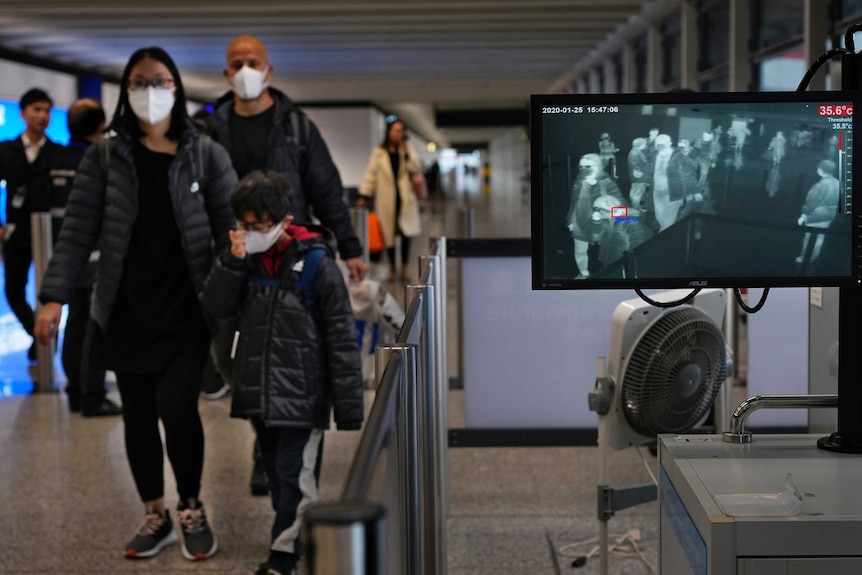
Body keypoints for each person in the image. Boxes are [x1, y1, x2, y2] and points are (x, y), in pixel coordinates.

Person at [33, 46, 237, 561]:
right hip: (125, 306)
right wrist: (54, 296)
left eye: (161, 80)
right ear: (126, 91)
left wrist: (239, 292)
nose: (151, 90)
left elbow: (228, 228)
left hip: (187, 305)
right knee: (139, 415)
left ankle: (191, 505)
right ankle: (155, 513)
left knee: (177, 407)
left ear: (177, 88)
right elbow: (77, 230)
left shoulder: (204, 153)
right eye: (140, 81)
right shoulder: (105, 155)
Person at [207, 33, 367, 496]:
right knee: (232, 357)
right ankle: (264, 436)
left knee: (286, 357)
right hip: (235, 258)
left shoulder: (295, 125)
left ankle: (277, 448)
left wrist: (351, 248)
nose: (244, 70)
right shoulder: (211, 127)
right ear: (225, 73)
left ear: (269, 70)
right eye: (236, 63)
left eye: (252, 61)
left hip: (286, 257)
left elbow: (325, 187)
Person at [199, 170, 364, 575]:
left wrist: (348, 407)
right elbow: (215, 305)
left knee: (295, 474)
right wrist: (232, 262)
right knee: (275, 471)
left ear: (284, 222)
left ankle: (284, 555)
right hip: (259, 390)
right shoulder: (243, 258)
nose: (249, 232)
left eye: (258, 226)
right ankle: (290, 534)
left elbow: (342, 338)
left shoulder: (318, 266)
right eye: (243, 225)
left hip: (303, 393)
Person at [48, 98, 121, 416]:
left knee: (76, 325)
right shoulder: (98, 160)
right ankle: (91, 395)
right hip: (93, 256)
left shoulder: (56, 156)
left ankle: (76, 392)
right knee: (94, 325)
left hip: (64, 254)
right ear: (101, 126)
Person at [0, 88, 63, 361]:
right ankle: (36, 334)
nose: (43, 116)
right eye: (37, 109)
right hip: (17, 231)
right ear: (23, 113)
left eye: (47, 110)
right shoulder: (6, 151)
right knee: (14, 290)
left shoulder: (57, 153)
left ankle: (47, 342)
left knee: (50, 292)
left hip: (51, 233)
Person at [357, 119, 423, 282]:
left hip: (405, 199)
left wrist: (407, 150)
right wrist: (365, 194)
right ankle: (393, 268)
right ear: (388, 132)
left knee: (407, 234)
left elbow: (416, 166)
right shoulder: (379, 152)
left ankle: (405, 268)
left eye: (401, 131)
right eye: (395, 130)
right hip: (387, 200)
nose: (398, 134)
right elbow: (370, 174)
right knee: (389, 236)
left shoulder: (406, 151)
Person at [566, 153, 623, 278]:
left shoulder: (607, 184)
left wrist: (603, 216)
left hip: (602, 225)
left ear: (597, 167)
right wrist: (570, 220)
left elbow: (622, 210)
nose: (583, 169)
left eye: (588, 166)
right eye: (581, 167)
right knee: (580, 251)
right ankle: (583, 273)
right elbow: (574, 203)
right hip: (579, 222)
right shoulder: (579, 182)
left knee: (608, 254)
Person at [796, 159, 840, 265]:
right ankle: (814, 257)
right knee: (820, 236)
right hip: (830, 214)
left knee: (809, 237)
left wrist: (803, 215)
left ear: (821, 170)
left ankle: (805, 257)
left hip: (816, 215)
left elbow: (811, 201)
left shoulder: (820, 185)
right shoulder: (837, 182)